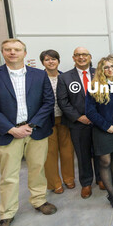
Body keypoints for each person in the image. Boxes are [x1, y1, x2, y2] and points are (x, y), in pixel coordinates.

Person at [0, 39, 56, 226]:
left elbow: (48, 102)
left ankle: (39, 200)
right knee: (8, 175)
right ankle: (7, 214)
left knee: (37, 168)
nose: (12, 53)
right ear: (2, 52)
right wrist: (12, 129)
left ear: (24, 52)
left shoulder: (39, 75)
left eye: (17, 49)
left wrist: (31, 125)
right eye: (8, 50)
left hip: (35, 130)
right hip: (7, 133)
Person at [57, 47, 103, 199]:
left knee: (99, 151)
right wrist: (78, 117)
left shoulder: (100, 73)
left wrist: (99, 116)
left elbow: (107, 95)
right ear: (73, 57)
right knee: (82, 154)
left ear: (90, 57)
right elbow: (63, 102)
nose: (81, 57)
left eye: (84, 55)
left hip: (98, 121)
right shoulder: (64, 78)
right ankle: (86, 183)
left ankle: (101, 178)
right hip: (78, 123)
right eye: (78, 55)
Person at [85, 57, 113, 209]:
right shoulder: (94, 86)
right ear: (101, 70)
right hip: (102, 130)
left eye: (112, 66)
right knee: (105, 162)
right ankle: (111, 195)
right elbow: (90, 112)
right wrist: (107, 126)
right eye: (106, 67)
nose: (110, 69)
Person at [40, 49, 75, 194]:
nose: (51, 62)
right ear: (43, 62)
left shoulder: (65, 77)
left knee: (67, 151)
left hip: (65, 118)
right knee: (50, 153)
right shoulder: (38, 78)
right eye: (47, 59)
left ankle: (69, 179)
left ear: (58, 61)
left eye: (53, 59)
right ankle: (55, 183)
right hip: (47, 120)